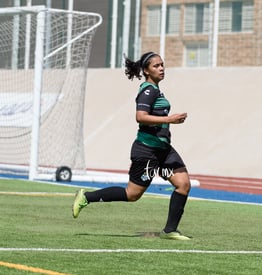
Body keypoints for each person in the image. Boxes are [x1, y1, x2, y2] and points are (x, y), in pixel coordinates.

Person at [72, 52, 192, 240]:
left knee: (183, 184)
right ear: (146, 70)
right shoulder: (148, 90)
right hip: (147, 151)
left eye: (162, 65)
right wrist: (170, 119)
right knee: (132, 194)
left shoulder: (157, 90)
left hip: (164, 150)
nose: (161, 68)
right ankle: (86, 197)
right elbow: (140, 117)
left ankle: (170, 230)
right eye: (156, 66)